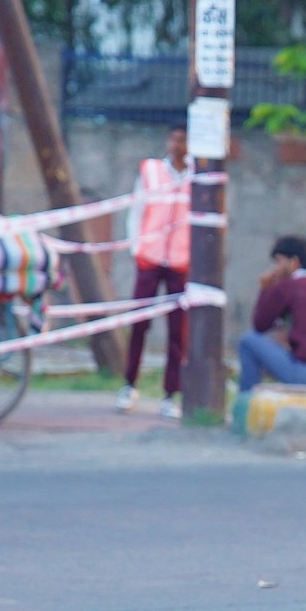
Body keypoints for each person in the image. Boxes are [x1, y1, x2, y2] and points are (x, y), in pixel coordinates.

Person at [117, 125, 191, 420]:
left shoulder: (198, 177)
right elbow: (136, 210)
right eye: (173, 138)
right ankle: (129, 385)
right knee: (139, 324)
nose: (176, 145)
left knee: (178, 332)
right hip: (150, 258)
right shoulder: (152, 171)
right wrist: (137, 247)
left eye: (182, 140)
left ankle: (171, 394)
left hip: (180, 263)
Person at [238, 236, 306, 390]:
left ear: (293, 262)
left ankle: (247, 399)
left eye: (278, 261)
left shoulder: (288, 286)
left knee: (248, 341)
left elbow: (260, 325)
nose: (275, 268)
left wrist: (265, 288)